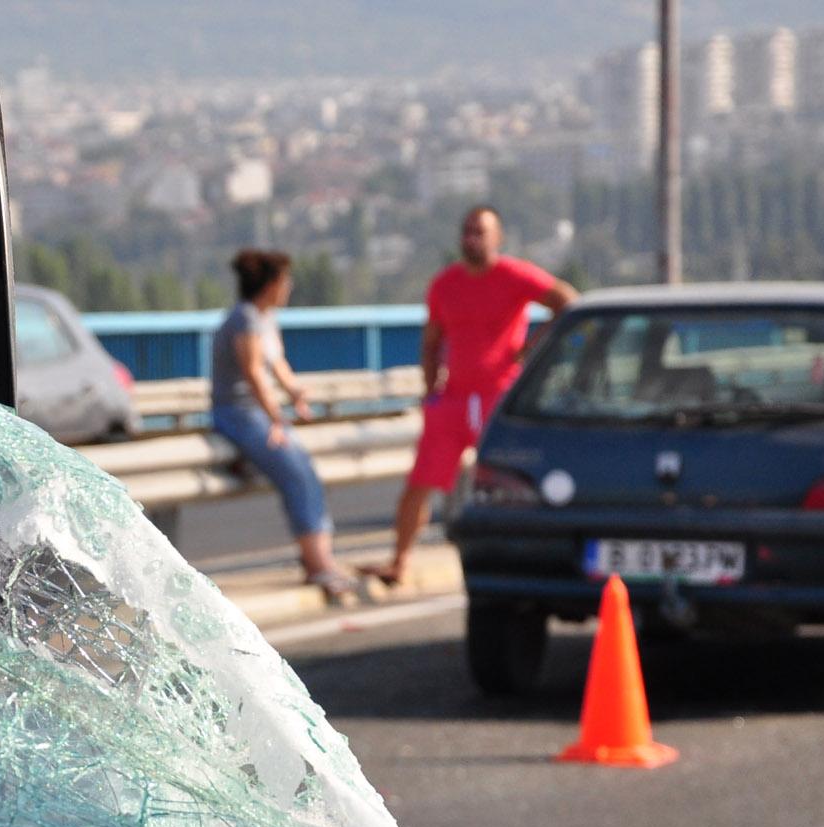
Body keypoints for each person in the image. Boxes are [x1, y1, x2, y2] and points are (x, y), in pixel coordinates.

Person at [363, 206, 577, 586]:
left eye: (480, 232)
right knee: (419, 483)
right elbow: (431, 342)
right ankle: (399, 560)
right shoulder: (444, 284)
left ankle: (532, 559)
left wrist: (530, 349)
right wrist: (431, 393)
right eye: (467, 231)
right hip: (453, 400)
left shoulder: (514, 274)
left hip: (499, 395)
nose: (471, 239)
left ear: (498, 238)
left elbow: (567, 301)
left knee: (516, 482)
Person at [209, 248, 356, 600]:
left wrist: (295, 394)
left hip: (258, 413)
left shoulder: (265, 318)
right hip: (238, 412)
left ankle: (319, 561)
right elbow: (253, 372)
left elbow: (277, 367)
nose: (290, 287)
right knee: (296, 472)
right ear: (272, 284)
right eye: (285, 280)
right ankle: (319, 566)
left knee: (305, 469)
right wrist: (277, 418)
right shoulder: (244, 318)